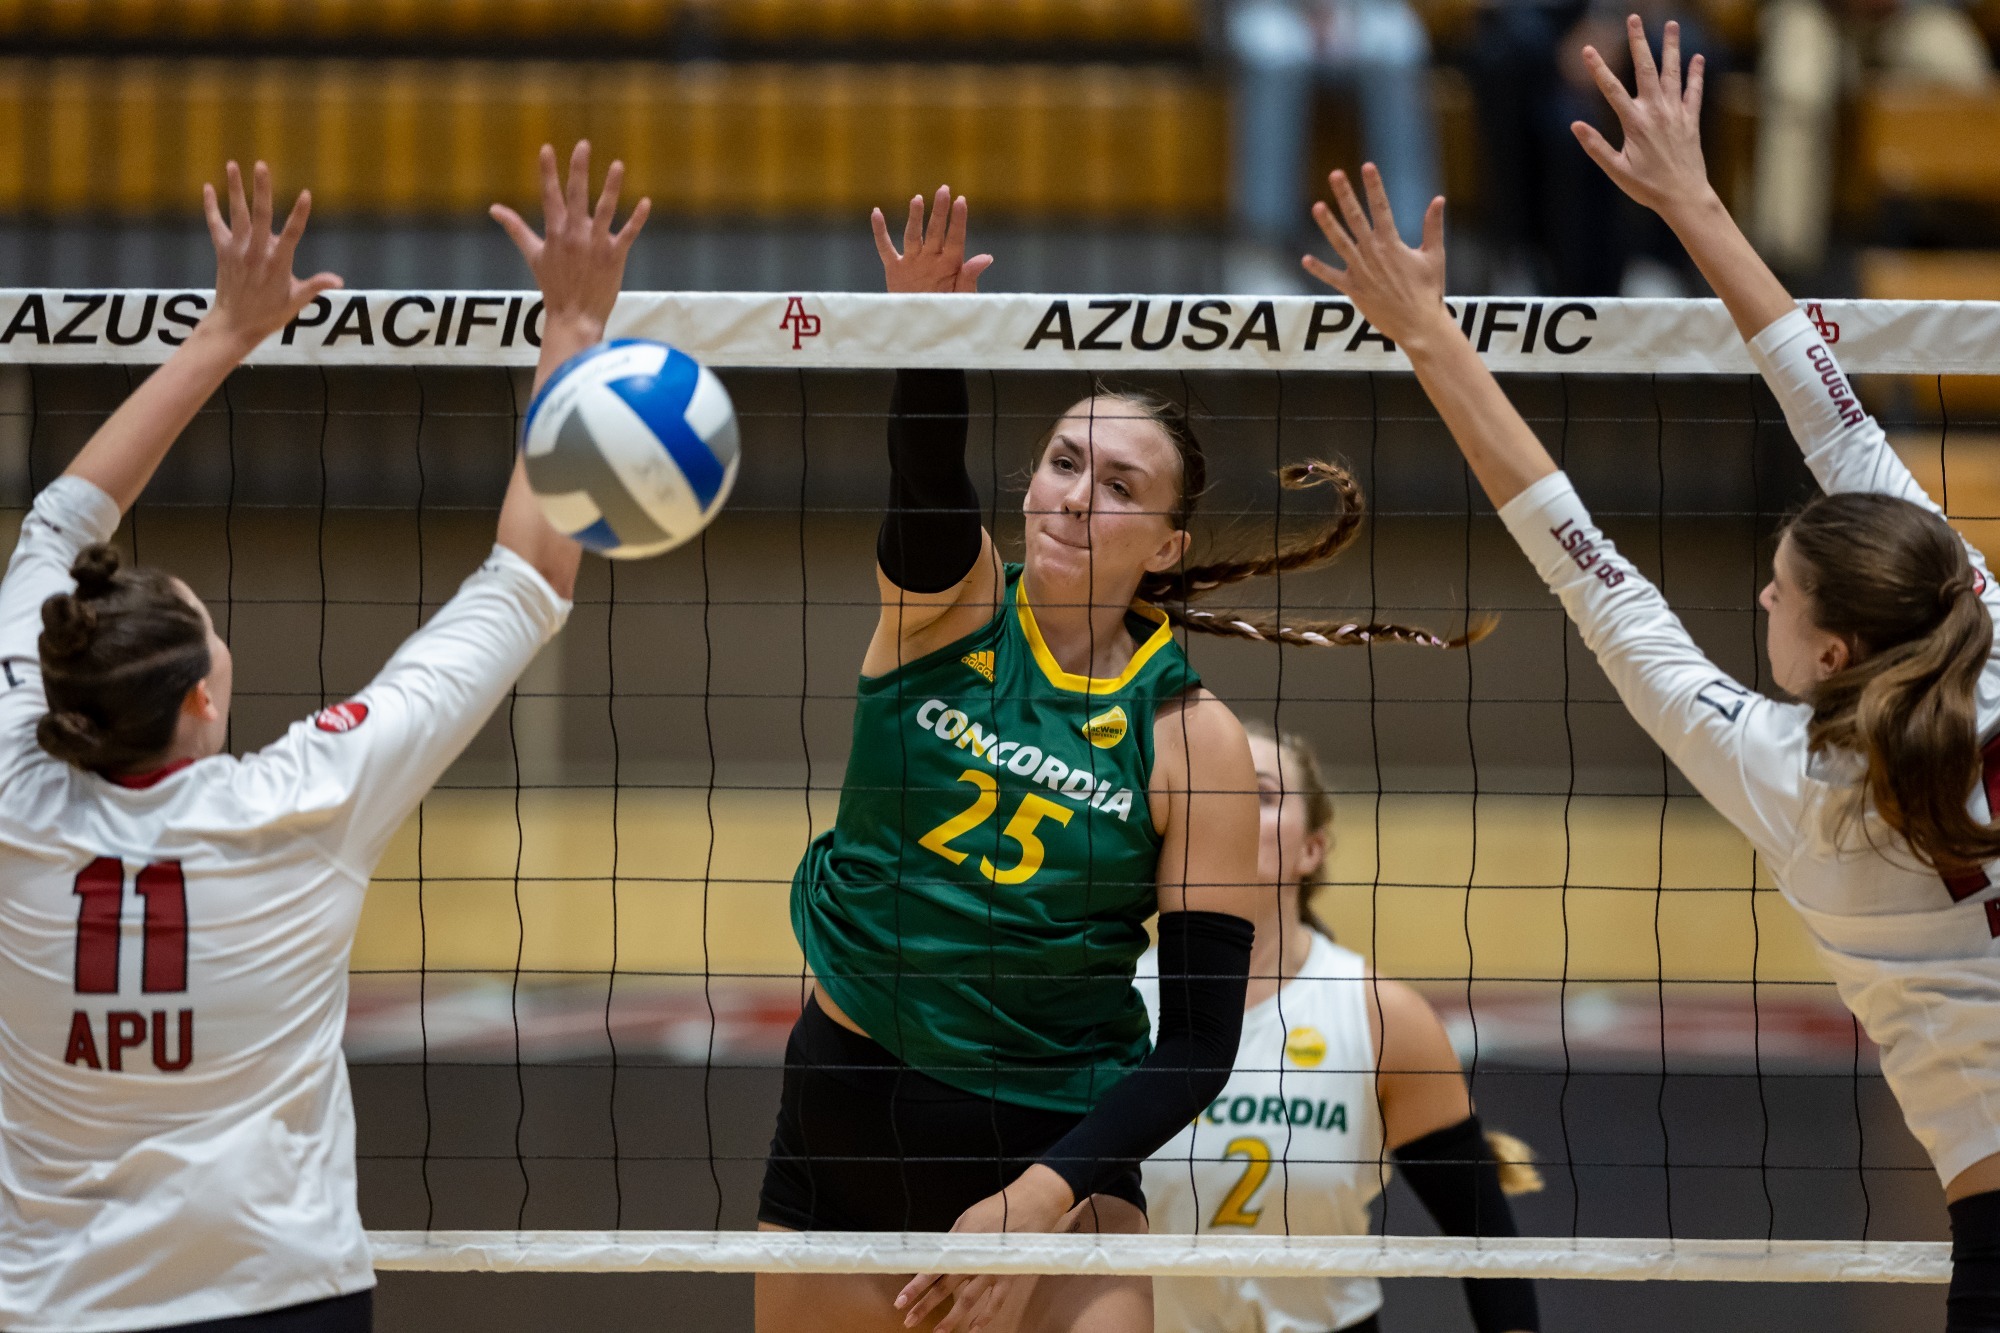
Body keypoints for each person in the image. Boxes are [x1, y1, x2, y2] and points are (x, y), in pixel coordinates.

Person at [1302, 16, 2000, 1328]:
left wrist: (1429, 337)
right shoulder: (1979, 616)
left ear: (1832, 653)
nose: (1759, 599)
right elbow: (1827, 403)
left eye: (1778, 596)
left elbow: (1581, 555)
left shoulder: (1795, 778)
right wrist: (1691, 195)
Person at [753, 187, 1479, 1333]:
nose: (1073, 497)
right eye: (1060, 462)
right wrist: (926, 335)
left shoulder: (1193, 740)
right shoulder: (947, 612)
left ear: (1167, 544)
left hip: (1059, 1146)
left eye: (1118, 485)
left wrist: (1038, 1202)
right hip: (854, 1116)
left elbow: (1196, 1045)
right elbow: (924, 481)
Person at [0, 141, 642, 1331]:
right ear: (202, 698)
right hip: (275, 1295)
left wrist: (219, 333)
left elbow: (54, 521)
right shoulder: (300, 805)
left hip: (54, 1309)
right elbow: (524, 586)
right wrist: (572, 328)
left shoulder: (13, 783)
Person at [1138, 722, 1542, 1333]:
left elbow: (1488, 1248)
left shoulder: (1384, 1019)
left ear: (1311, 848)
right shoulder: (1111, 1002)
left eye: (1263, 795)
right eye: (1208, 794)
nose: (1234, 814)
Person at [1753, 0, 1991, 281]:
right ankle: (1783, 271)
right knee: (1798, 86)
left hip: (1911, 14)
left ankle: (1958, 257)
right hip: (1814, 13)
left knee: (1961, 70)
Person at [1223, 0, 1443, 292]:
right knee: (1275, 54)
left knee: (1397, 48)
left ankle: (1409, 254)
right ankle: (1263, 251)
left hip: (1366, 9)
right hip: (1271, 8)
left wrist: (1343, 15)